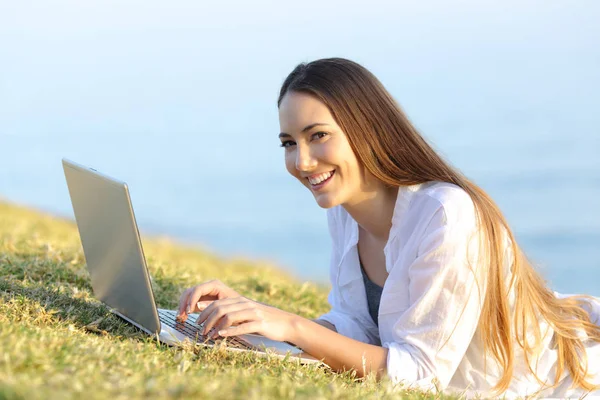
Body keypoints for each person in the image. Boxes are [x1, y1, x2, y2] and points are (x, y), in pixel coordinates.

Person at [175, 58, 600, 398]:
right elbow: (360, 327)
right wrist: (255, 319)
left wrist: (291, 327)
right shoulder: (344, 208)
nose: (302, 162)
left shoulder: (445, 214)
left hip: (567, 379)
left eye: (318, 135)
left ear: (366, 129)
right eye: (289, 143)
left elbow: (419, 377)